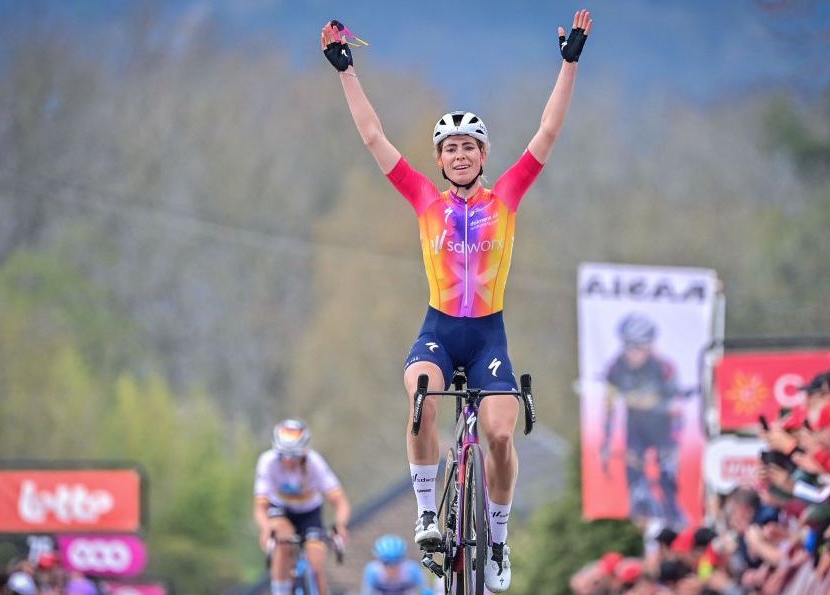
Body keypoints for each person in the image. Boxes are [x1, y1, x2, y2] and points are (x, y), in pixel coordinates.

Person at [321, 9, 592, 592]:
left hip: (489, 333)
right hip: (440, 328)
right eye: (452, 148)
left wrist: (568, 65)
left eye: (471, 146)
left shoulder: (508, 195)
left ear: (484, 156)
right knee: (420, 394)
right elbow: (374, 137)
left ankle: (495, 540)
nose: (462, 154)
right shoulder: (423, 199)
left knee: (499, 434)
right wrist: (346, 71)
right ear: (440, 161)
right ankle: (426, 513)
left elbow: (547, 133)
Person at [601, 312, 687, 527]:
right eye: (629, 346)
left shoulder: (664, 368)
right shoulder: (615, 367)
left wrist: (674, 442)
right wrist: (607, 438)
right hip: (636, 427)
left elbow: (677, 408)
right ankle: (642, 520)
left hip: (662, 426)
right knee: (635, 477)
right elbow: (610, 405)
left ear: (649, 346)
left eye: (639, 347)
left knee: (667, 477)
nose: (633, 353)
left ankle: (673, 516)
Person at [254, 419, 351, 595]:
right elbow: (260, 507)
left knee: (316, 564)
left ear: (305, 452)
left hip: (310, 513)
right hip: (281, 510)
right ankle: (280, 591)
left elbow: (340, 501)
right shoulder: (267, 462)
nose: (289, 460)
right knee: (282, 538)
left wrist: (340, 525)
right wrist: (266, 528)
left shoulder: (315, 464)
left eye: (295, 455)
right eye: (284, 455)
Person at [360, 535, 433, 595]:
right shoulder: (372, 571)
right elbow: (367, 592)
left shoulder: (412, 570)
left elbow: (425, 591)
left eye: (396, 562)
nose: (392, 568)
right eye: (386, 563)